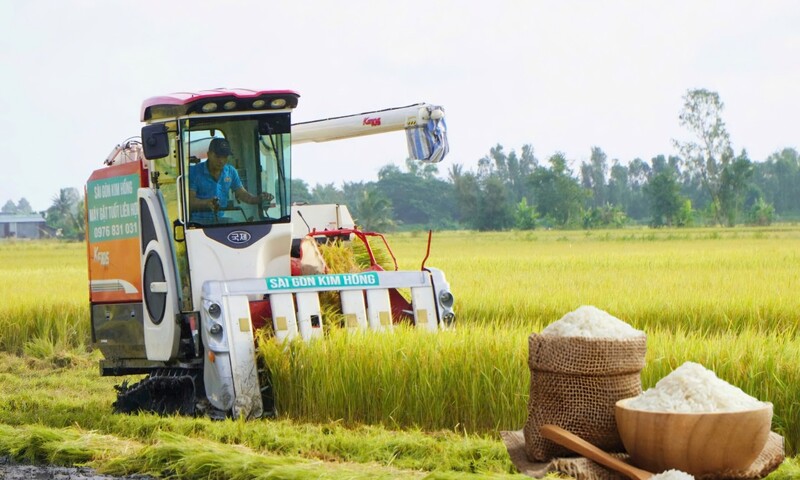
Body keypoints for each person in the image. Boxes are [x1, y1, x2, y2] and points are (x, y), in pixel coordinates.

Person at [188, 138, 273, 223]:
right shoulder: (193, 172)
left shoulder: (231, 172)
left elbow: (242, 193)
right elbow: (189, 201)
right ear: (209, 154)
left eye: (224, 157)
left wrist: (258, 199)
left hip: (220, 220)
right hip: (197, 221)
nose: (221, 161)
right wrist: (207, 203)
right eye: (217, 156)